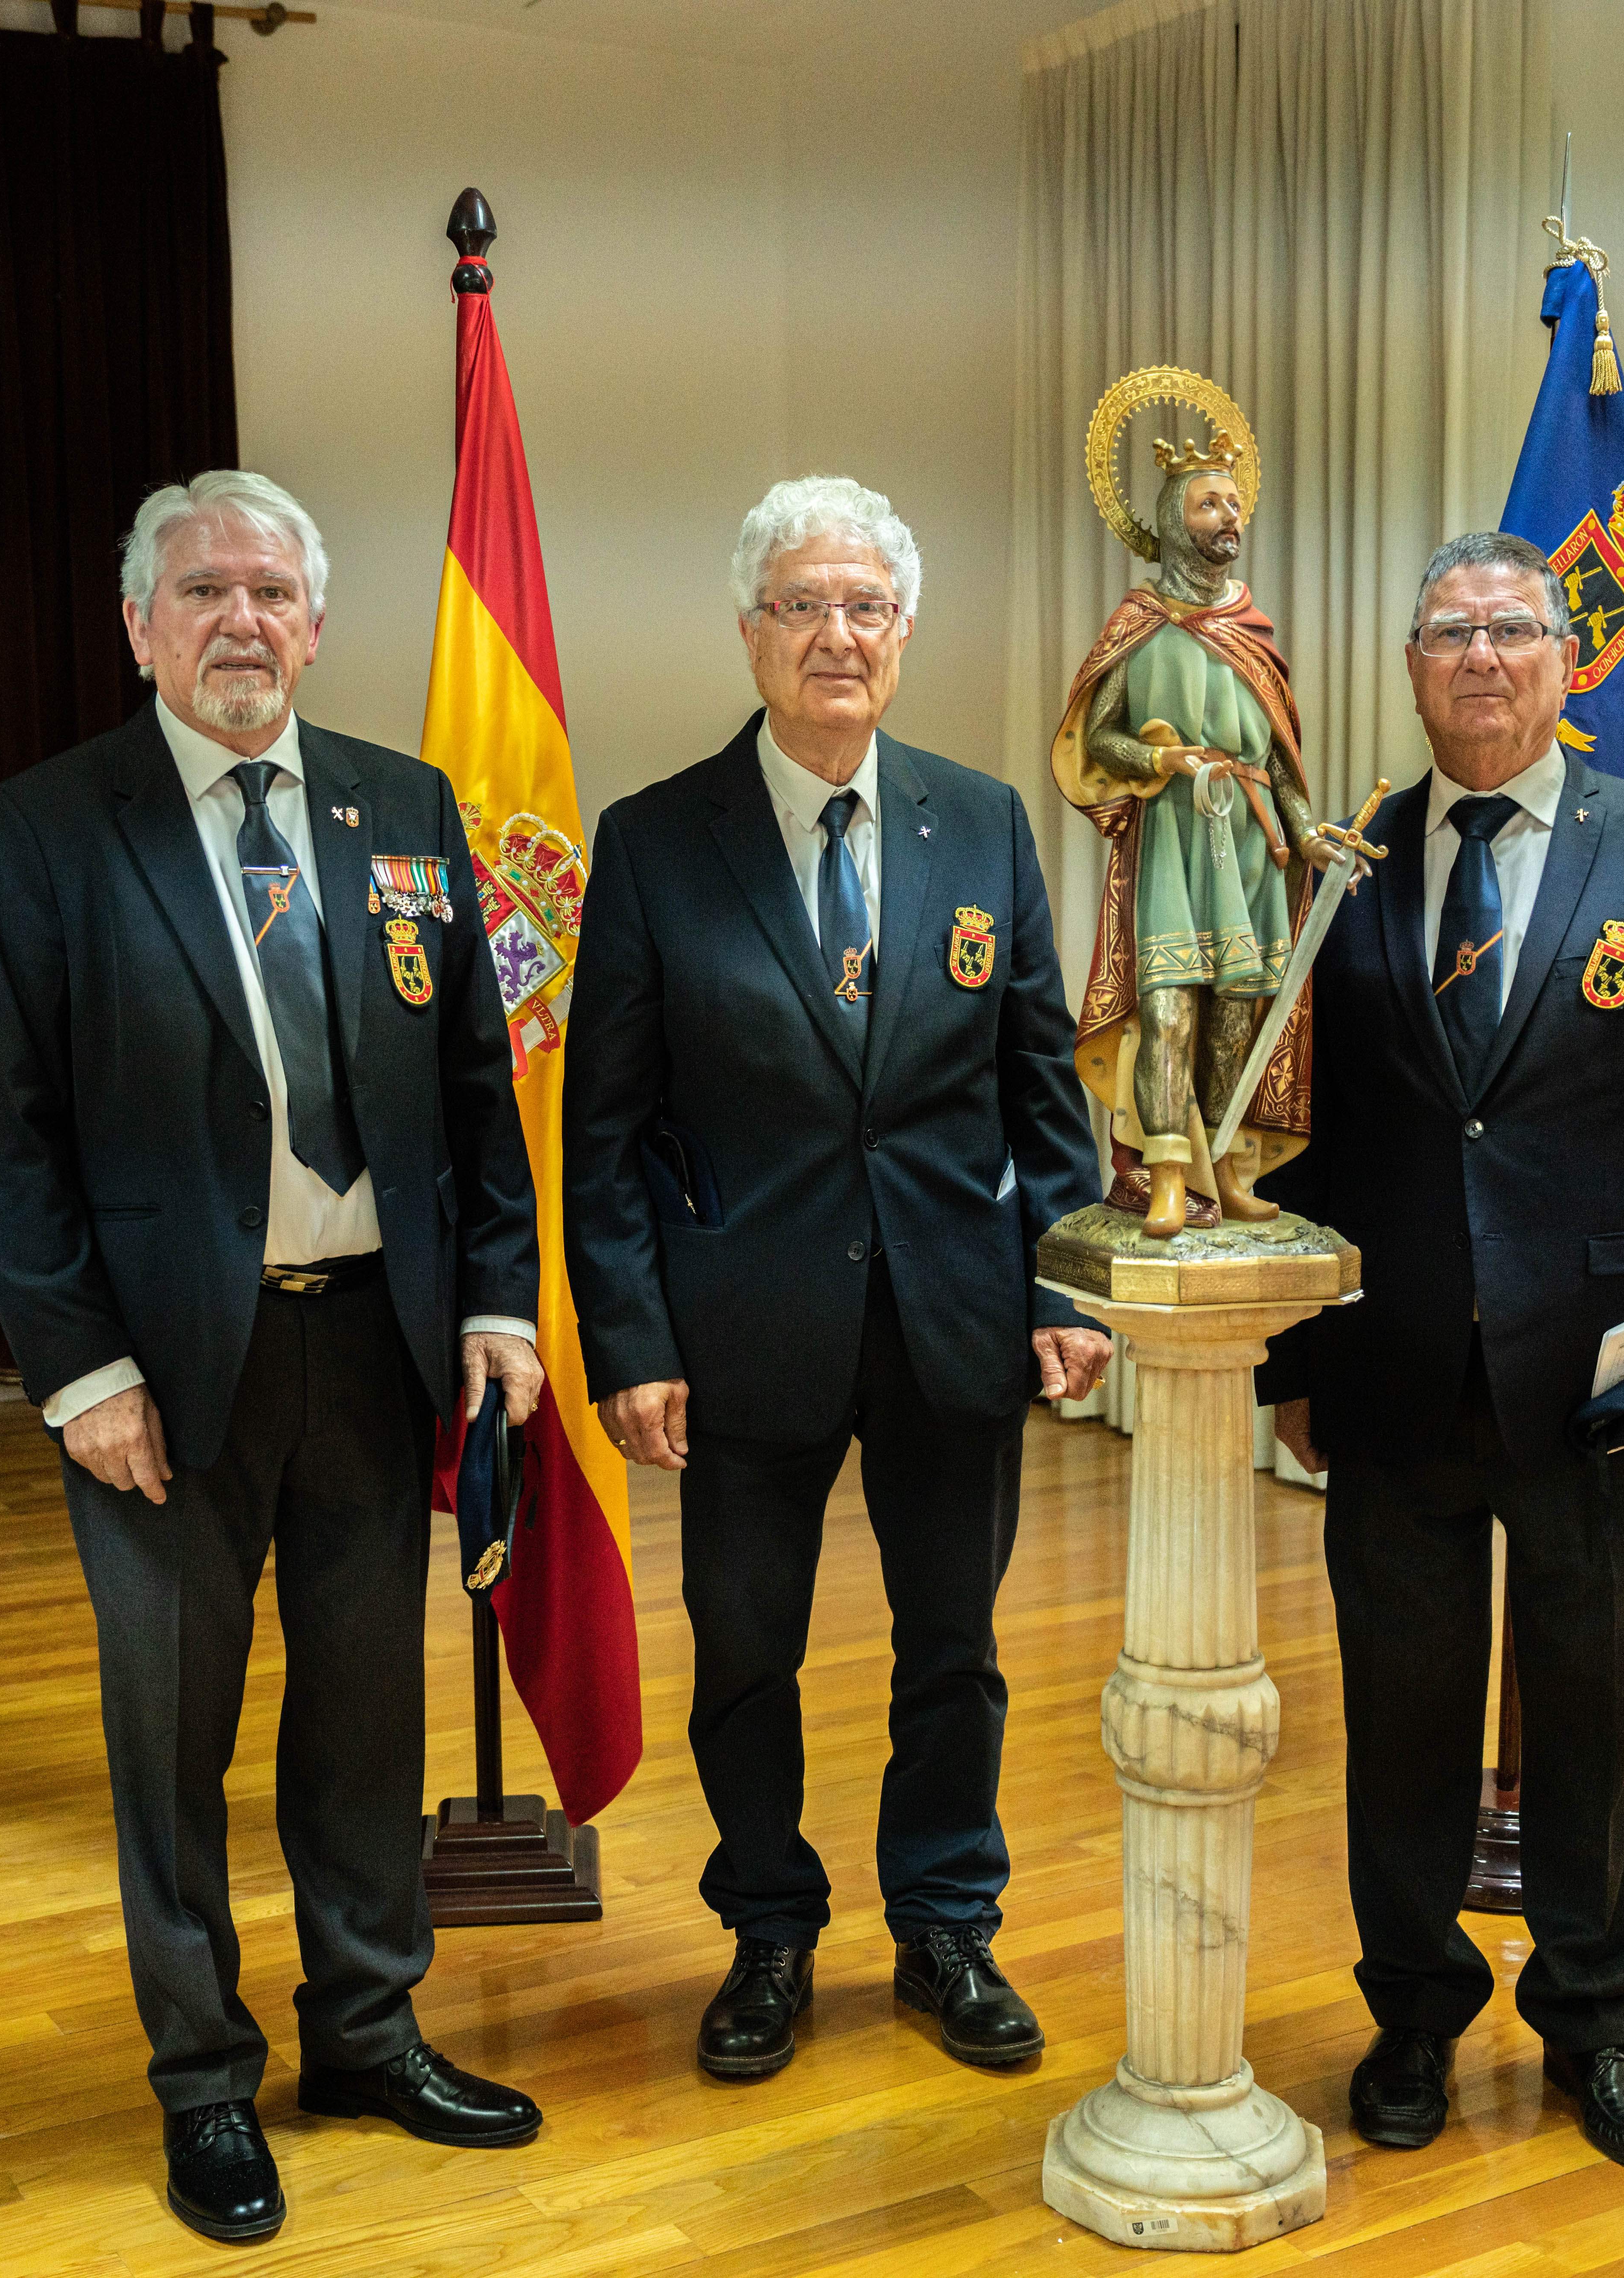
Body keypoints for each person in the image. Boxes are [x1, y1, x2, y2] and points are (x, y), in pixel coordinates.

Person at [0, 470, 549, 2245]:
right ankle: (203, 2086)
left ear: (313, 621)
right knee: (174, 1742)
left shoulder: (402, 806)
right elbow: (11, 1134)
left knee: (363, 1729)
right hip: (162, 1388)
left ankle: (367, 2032)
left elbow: (469, 1093)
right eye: (202, 590)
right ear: (139, 626)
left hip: (374, 1351)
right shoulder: (54, 827)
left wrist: (501, 1302)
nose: (241, 620)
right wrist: (80, 1378)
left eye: (272, 591)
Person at [563, 475, 1109, 2082]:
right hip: (742, 1332)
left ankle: (947, 1923)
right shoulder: (659, 842)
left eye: (864, 606)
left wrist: (1066, 1290)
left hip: (954, 1318)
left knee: (957, 1645)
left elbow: (1041, 1095)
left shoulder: (982, 820)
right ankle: (769, 1930)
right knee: (745, 1646)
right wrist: (631, 1336)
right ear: (749, 633)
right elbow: (606, 1126)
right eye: (801, 606)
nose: (835, 636)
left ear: (904, 632)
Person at [1262, 529, 1624, 2171]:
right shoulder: (1347, 863)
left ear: (1566, 664)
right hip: (1393, 1379)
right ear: (1410, 670)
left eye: (1511, 630)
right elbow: (1312, 1137)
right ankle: (1412, 2011)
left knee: (1587, 1711)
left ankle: (1592, 2019)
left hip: (1603, 1381)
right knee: (1402, 1717)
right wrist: (1288, 1359)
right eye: (1447, 634)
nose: (1480, 657)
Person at [1051, 379, 1363, 1237]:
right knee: (1167, 1012)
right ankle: (1164, 1176)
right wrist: (1161, 758)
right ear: (1170, 518)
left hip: (1249, 849)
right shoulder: (1139, 624)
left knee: (1233, 1015)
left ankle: (1225, 1169)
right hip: (1173, 845)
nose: (1229, 516)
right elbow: (1093, 741)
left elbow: (1279, 759)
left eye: (1233, 501)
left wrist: (1307, 831)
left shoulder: (1251, 629)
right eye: (1209, 503)